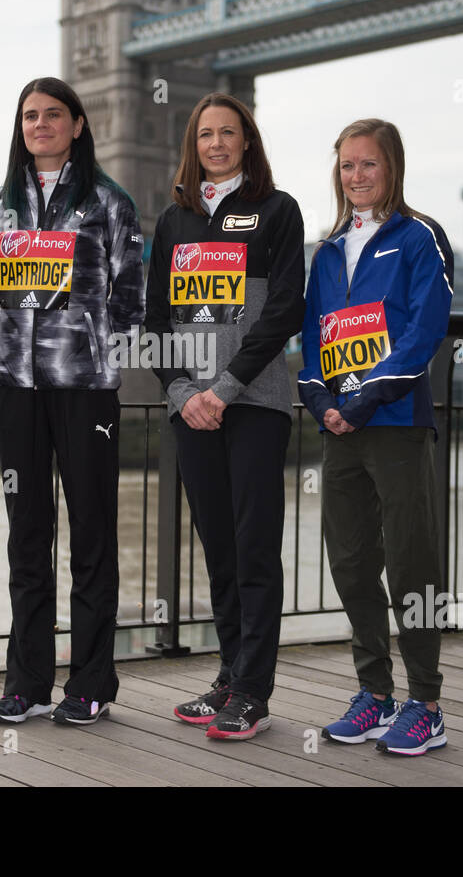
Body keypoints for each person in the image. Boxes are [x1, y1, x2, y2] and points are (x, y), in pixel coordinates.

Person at [0, 77, 145, 727]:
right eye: (29, 116)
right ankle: (26, 682)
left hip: (86, 390)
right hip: (14, 388)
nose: (40, 125)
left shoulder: (109, 202)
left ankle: (93, 682)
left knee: (94, 534)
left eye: (52, 115)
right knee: (27, 535)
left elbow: (131, 296)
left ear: (78, 124)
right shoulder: (0, 206)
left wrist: (94, 350)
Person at [144, 92, 305, 740]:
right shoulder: (173, 221)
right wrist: (184, 393)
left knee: (255, 547)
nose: (215, 144)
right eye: (205, 134)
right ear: (194, 145)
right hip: (194, 413)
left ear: (247, 141)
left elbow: (286, 308)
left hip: (255, 404)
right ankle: (229, 675)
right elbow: (155, 319)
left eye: (227, 133)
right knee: (218, 550)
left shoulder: (276, 211)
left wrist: (228, 386)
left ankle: (254, 693)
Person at [297, 118, 454, 756]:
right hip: (340, 429)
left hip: (394, 423)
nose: (356, 177)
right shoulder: (329, 250)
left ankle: (427, 702)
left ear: (393, 168)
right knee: (352, 563)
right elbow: (312, 337)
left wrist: (365, 398)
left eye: (369, 164)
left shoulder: (420, 237)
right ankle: (375, 694)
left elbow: (425, 331)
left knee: (412, 561)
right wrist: (322, 400)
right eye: (347, 166)